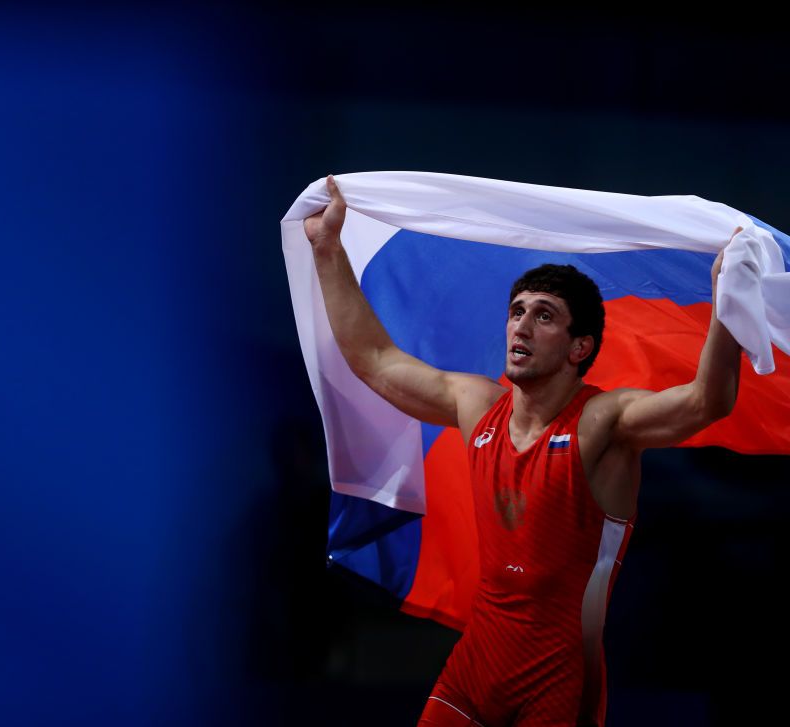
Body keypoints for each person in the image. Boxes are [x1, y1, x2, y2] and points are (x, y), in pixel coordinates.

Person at [303, 175, 744, 726]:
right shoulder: (477, 407)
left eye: (544, 315)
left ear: (579, 347)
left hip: (558, 680)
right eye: (517, 311)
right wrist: (327, 249)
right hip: (474, 667)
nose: (522, 325)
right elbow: (373, 358)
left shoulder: (602, 422)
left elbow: (707, 401)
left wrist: (728, 305)